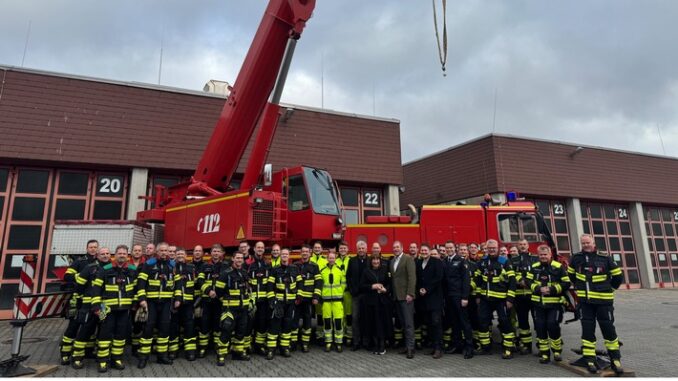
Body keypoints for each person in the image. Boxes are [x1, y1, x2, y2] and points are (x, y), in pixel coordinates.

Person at [568, 234, 625, 374]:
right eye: (583, 243)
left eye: (588, 242)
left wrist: (610, 288)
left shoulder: (605, 258)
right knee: (587, 331)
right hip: (585, 302)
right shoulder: (576, 258)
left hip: (603, 301)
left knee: (608, 330)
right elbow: (571, 275)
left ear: (593, 242)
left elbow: (618, 276)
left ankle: (615, 360)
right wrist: (580, 287)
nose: (586, 245)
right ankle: (590, 359)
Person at [91, 245, 137, 372]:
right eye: (119, 253)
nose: (122, 255)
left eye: (124, 253)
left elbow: (135, 288)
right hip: (105, 307)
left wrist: (135, 304)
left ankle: (117, 359)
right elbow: (96, 289)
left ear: (128, 256)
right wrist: (96, 307)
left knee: (120, 335)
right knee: (104, 333)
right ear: (115, 255)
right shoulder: (105, 269)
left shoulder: (132, 269)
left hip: (124, 308)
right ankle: (102, 361)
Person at [526, 244, 570, 364]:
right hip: (538, 304)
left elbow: (566, 283)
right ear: (538, 255)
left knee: (552, 325)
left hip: (554, 304)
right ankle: (544, 353)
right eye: (541, 255)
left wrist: (552, 289)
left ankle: (556, 351)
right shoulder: (534, 267)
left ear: (550, 255)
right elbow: (528, 281)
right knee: (540, 328)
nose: (543, 257)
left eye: (545, 254)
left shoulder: (558, 267)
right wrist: (538, 288)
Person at [136, 242, 177, 368]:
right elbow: (141, 282)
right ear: (157, 252)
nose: (164, 253)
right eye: (162, 250)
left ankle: (162, 356)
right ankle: (143, 357)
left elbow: (178, 283)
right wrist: (142, 299)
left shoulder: (173, 265)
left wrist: (178, 298)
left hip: (166, 303)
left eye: (166, 251)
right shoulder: (149, 264)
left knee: (164, 328)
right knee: (148, 328)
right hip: (151, 302)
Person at [474, 239, 516, 359]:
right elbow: (478, 280)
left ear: (497, 248)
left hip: (501, 299)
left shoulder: (504, 261)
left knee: (505, 322)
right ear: (486, 249)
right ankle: (485, 347)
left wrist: (510, 299)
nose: (491, 250)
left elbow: (512, 281)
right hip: (485, 299)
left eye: (493, 248)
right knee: (482, 322)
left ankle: (508, 348)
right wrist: (477, 296)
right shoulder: (482, 262)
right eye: (489, 248)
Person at [60, 239, 99, 365]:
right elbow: (67, 276)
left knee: (91, 327)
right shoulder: (80, 262)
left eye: (95, 247)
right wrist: (82, 275)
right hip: (79, 301)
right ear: (87, 248)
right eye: (91, 247)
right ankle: (65, 353)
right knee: (74, 326)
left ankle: (88, 351)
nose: (93, 249)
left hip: (94, 302)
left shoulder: (102, 263)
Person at [71, 246, 109, 370]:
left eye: (107, 253)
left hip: (103, 306)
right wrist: (83, 298)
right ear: (97, 255)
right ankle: (77, 357)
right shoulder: (89, 268)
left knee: (102, 331)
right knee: (85, 331)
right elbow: (79, 285)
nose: (105, 255)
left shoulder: (111, 269)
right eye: (102, 253)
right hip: (88, 306)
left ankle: (101, 357)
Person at [214, 251, 252, 365]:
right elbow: (218, 291)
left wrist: (250, 302)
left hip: (243, 308)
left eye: (241, 258)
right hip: (230, 308)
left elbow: (248, 289)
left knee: (241, 331)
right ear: (233, 259)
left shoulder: (245, 273)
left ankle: (238, 353)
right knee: (226, 330)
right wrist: (226, 302)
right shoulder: (226, 273)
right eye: (237, 258)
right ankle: (221, 354)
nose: (239, 260)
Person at [265, 248, 302, 359]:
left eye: (286, 254)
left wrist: (299, 295)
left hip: (290, 303)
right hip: (278, 302)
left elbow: (300, 283)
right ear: (280, 256)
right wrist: (272, 300)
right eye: (283, 254)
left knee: (287, 325)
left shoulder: (295, 269)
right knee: (274, 326)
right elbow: (270, 286)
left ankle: (284, 348)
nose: (285, 256)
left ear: (289, 256)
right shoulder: (274, 270)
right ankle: (271, 349)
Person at [442, 241, 474, 359]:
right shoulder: (444, 261)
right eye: (447, 248)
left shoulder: (461, 261)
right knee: (454, 322)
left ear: (454, 249)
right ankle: (457, 345)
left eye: (451, 247)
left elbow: (466, 280)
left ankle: (469, 348)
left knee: (464, 322)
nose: (449, 249)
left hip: (459, 296)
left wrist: (465, 297)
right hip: (449, 297)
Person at [196, 244, 228, 358]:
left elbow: (228, 283)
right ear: (210, 253)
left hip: (220, 300)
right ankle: (203, 347)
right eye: (214, 251)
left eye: (218, 251)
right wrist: (209, 291)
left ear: (222, 253)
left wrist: (219, 294)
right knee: (204, 323)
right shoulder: (204, 266)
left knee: (217, 323)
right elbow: (200, 280)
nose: (215, 253)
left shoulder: (226, 266)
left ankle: (216, 345)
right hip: (207, 299)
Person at [416, 243, 444, 359]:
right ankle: (433, 346)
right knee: (429, 324)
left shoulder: (437, 262)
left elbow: (438, 278)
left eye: (426, 250)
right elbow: (417, 278)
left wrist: (427, 289)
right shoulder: (418, 263)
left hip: (434, 298)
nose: (424, 252)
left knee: (436, 323)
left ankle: (438, 348)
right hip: (424, 299)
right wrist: (420, 289)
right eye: (422, 250)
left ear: (429, 251)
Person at [359, 254, 392, 355]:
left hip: (382, 302)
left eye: (377, 260)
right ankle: (375, 344)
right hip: (370, 302)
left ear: (380, 261)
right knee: (372, 323)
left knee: (381, 323)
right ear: (371, 261)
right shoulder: (366, 271)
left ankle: (382, 345)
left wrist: (385, 289)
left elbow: (390, 284)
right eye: (374, 260)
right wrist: (372, 286)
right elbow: (361, 286)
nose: (376, 261)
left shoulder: (385, 270)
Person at [511, 239, 539, 355]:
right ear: (518, 246)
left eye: (524, 244)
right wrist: (519, 280)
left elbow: (537, 273)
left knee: (538, 322)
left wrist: (526, 282)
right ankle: (526, 346)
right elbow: (511, 273)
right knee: (523, 322)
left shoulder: (535, 258)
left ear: (528, 246)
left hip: (533, 295)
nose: (522, 246)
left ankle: (541, 347)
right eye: (520, 244)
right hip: (519, 296)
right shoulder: (513, 260)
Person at [169, 247, 197, 361]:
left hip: (188, 303)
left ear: (186, 256)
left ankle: (190, 351)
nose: (180, 255)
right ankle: (173, 350)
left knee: (189, 326)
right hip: (174, 303)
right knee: (173, 326)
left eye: (182, 254)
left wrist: (197, 302)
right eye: (178, 254)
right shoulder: (171, 268)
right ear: (175, 256)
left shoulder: (192, 268)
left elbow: (197, 284)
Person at [389, 241, 416, 359]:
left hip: (406, 297)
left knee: (409, 323)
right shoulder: (392, 261)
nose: (395, 249)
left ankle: (411, 348)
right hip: (397, 297)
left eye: (397, 247)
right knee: (403, 323)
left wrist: (410, 293)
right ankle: (406, 346)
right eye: (394, 247)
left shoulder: (408, 259)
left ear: (402, 248)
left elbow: (412, 277)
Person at [294, 244, 322, 352]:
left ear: (310, 253)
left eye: (307, 251)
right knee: (294, 321)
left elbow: (318, 283)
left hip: (309, 300)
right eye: (303, 251)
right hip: (297, 299)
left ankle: (305, 343)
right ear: (300, 253)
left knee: (307, 321)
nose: (305, 253)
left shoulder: (314, 266)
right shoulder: (295, 266)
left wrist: (316, 297)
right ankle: (293, 343)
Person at [247, 241, 271, 355]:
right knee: (249, 323)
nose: (260, 249)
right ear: (254, 249)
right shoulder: (248, 264)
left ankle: (259, 345)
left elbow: (270, 283)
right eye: (258, 247)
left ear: (264, 249)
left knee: (262, 323)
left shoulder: (267, 264)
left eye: (262, 247)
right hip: (252, 300)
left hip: (264, 300)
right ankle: (248, 345)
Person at [320, 252, 346, 352]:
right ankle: (328, 342)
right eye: (329, 258)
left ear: (335, 259)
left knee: (338, 322)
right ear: (327, 259)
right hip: (326, 301)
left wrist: (339, 293)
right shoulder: (322, 271)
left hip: (337, 301)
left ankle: (339, 343)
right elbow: (320, 285)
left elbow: (343, 284)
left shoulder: (340, 270)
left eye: (333, 258)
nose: (331, 260)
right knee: (327, 322)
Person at [346, 240, 369, 351]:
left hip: (367, 294)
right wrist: (351, 290)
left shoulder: (370, 261)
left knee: (366, 318)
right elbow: (348, 277)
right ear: (356, 249)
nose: (361, 250)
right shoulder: (352, 261)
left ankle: (366, 342)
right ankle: (356, 342)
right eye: (359, 248)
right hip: (355, 295)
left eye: (363, 248)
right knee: (355, 318)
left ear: (366, 249)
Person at [335, 242, 353, 346]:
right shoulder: (335, 261)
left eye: (344, 248)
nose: (342, 250)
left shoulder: (351, 261)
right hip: (337, 293)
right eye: (341, 248)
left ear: (347, 249)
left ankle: (349, 336)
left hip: (348, 292)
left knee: (349, 315)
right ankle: (340, 335)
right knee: (339, 316)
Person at [310, 241, 328, 342]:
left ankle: (320, 335)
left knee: (320, 314)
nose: (317, 249)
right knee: (309, 313)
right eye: (315, 247)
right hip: (309, 291)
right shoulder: (310, 259)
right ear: (313, 249)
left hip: (321, 291)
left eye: (319, 248)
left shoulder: (325, 261)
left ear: (321, 249)